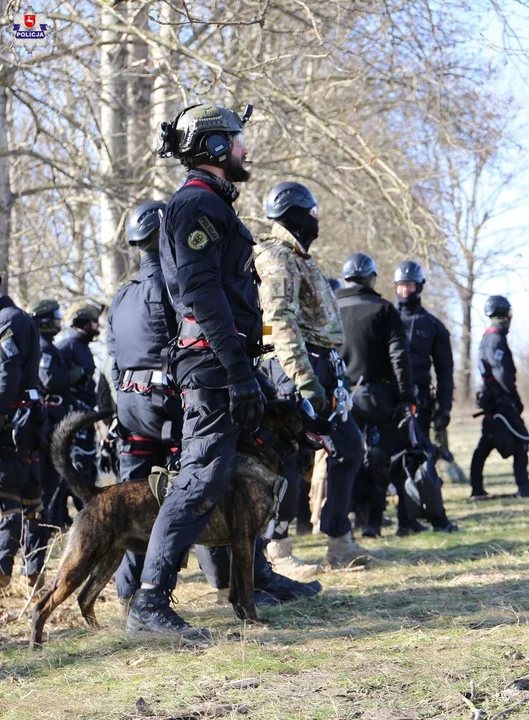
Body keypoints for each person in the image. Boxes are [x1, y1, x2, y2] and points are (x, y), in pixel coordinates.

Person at [126, 102, 320, 644]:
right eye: (236, 139)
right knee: (201, 477)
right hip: (212, 364)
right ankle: (149, 603)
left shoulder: (211, 204)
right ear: (214, 148)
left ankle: (252, 580)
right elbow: (201, 293)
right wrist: (235, 372)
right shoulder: (193, 205)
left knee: (252, 463)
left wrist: (247, 371)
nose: (244, 148)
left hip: (228, 360)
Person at [255, 181, 364, 571]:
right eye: (312, 211)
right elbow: (278, 320)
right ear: (296, 213)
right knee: (289, 458)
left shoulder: (301, 257)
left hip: (323, 363)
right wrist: (302, 378)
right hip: (293, 368)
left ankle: (339, 540)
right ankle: (278, 551)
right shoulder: (277, 257)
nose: (317, 218)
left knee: (349, 446)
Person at [107, 200, 183, 611]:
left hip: (129, 408)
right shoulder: (175, 288)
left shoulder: (121, 296)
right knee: (187, 492)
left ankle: (125, 592)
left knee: (129, 498)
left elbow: (114, 358)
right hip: (167, 408)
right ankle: (224, 581)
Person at [336, 252, 417, 537]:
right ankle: (374, 521)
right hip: (379, 394)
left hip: (341, 394)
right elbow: (399, 355)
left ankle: (350, 520)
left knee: (347, 457)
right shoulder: (384, 309)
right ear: (371, 278)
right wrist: (407, 395)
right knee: (382, 457)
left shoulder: (332, 307)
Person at [0, 280, 41, 588]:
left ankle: (4, 571)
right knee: (27, 499)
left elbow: (7, 374)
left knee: (8, 499)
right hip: (21, 419)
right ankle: (34, 571)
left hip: (12, 421)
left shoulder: (8, 320)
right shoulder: (16, 318)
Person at [26, 299, 70, 580]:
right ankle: (34, 565)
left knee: (47, 502)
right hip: (45, 436)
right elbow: (49, 383)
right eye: (53, 316)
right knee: (42, 503)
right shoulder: (43, 349)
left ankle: (35, 565)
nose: (58, 320)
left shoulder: (48, 347)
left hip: (50, 433)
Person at [470, 295, 529, 499]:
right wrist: (514, 397)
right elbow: (501, 372)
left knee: (486, 443)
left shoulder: (491, 337)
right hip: (500, 402)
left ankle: (477, 488)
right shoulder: (494, 338)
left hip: (493, 402)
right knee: (522, 441)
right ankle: (523, 487)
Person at [394, 261, 454, 440]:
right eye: (401, 286)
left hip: (420, 398)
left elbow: (444, 369)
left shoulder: (432, 325)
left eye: (409, 285)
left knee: (419, 451)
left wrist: (444, 406)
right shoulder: (385, 318)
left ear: (418, 287)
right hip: (389, 397)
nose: (405, 290)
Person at [55, 298, 104, 508]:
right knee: (72, 474)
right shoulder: (67, 346)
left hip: (84, 420)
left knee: (87, 472)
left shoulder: (81, 346)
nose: (98, 325)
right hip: (72, 421)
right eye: (94, 321)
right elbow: (51, 380)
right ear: (82, 321)